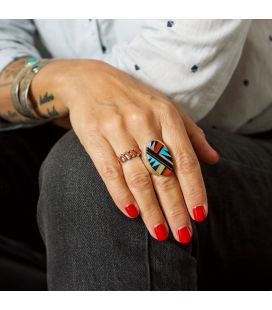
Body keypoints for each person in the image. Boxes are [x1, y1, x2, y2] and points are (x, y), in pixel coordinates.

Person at [0, 19, 272, 290]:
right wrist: (70, 80)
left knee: (100, 169)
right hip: (53, 125)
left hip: (243, 141)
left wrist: (56, 85)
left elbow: (164, 93)